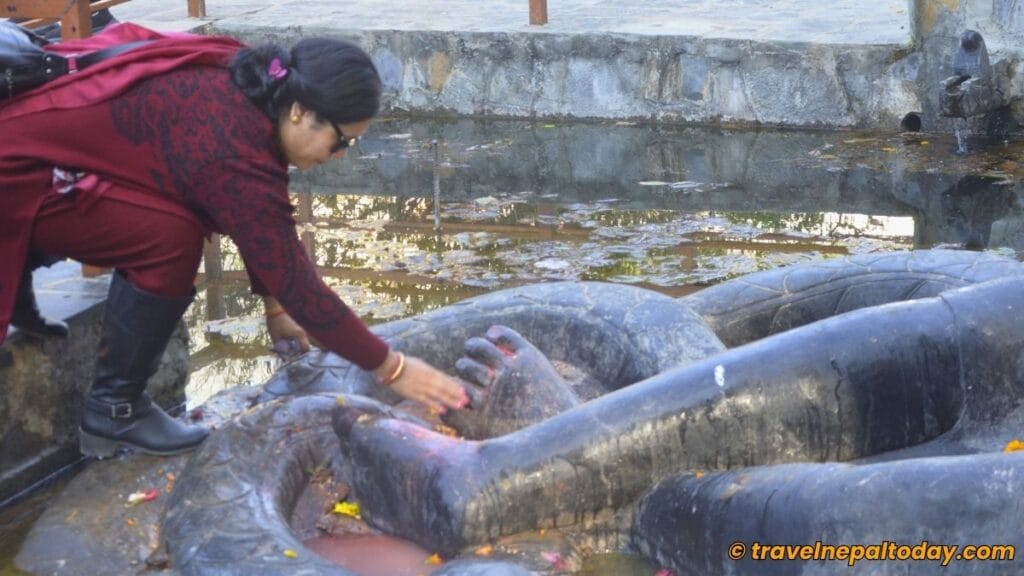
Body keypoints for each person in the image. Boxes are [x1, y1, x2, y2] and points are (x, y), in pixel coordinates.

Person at [0, 24, 468, 458]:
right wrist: (394, 369)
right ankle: (114, 409)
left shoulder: (253, 84)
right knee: (170, 238)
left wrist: (274, 311)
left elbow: (257, 212)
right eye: (341, 140)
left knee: (173, 222)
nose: (341, 157)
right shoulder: (231, 141)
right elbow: (297, 281)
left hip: (35, 146)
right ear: (301, 112)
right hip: (16, 169)